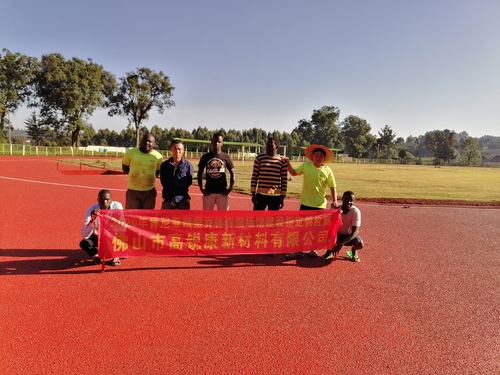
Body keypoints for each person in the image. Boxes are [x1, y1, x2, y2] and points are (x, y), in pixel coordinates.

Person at [284, 144, 339, 259]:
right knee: (301, 228)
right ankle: (298, 251)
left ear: (324, 158)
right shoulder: (306, 166)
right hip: (305, 203)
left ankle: (312, 250)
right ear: (312, 156)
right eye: (316, 155)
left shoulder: (328, 171)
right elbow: (294, 173)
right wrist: (288, 163)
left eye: (320, 156)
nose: (318, 157)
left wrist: (334, 200)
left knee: (316, 229)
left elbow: (332, 187)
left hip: (319, 205)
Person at [80, 189, 123, 266]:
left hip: (113, 236)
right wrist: (92, 219)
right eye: (102, 200)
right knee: (84, 243)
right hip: (99, 236)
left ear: (111, 200)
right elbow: (84, 234)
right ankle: (96, 255)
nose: (105, 202)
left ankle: (115, 255)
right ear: (98, 200)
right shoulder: (90, 210)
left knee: (124, 237)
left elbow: (121, 227)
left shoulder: (117, 206)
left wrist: (107, 234)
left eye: (107, 199)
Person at [121, 133, 163, 209]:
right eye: (145, 141)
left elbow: (158, 171)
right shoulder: (131, 153)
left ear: (154, 144)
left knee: (146, 217)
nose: (147, 143)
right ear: (141, 141)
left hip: (149, 191)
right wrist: (134, 175)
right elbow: (125, 167)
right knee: (132, 217)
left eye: (149, 141)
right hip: (133, 191)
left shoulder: (158, 156)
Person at [197, 132, 235, 210]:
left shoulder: (226, 157)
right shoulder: (205, 157)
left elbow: (233, 173)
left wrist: (230, 188)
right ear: (211, 142)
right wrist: (201, 188)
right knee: (207, 218)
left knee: (223, 219)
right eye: (214, 141)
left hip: (222, 193)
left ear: (222, 143)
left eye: (219, 142)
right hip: (209, 192)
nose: (216, 143)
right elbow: (199, 173)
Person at [323, 190, 364, 262]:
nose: (348, 202)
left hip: (348, 236)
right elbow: (328, 225)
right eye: (346, 199)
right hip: (336, 235)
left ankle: (353, 251)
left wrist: (341, 244)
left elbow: (355, 232)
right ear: (342, 199)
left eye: (351, 201)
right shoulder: (336, 209)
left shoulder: (355, 212)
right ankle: (329, 251)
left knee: (359, 243)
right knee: (325, 234)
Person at [251, 137, 288, 211]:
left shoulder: (282, 161)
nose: (268, 147)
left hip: (275, 196)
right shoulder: (259, 158)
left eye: (271, 145)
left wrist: (282, 197)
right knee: (256, 219)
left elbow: (284, 179)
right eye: (267, 145)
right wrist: (253, 193)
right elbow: (255, 176)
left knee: (273, 220)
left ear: (277, 147)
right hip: (261, 195)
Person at [160, 140, 194, 210]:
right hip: (168, 199)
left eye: (179, 149)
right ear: (171, 149)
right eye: (175, 149)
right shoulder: (164, 165)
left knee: (183, 220)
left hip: (182, 200)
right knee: (165, 220)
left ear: (183, 150)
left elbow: (189, 182)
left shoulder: (188, 165)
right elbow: (163, 181)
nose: (177, 151)